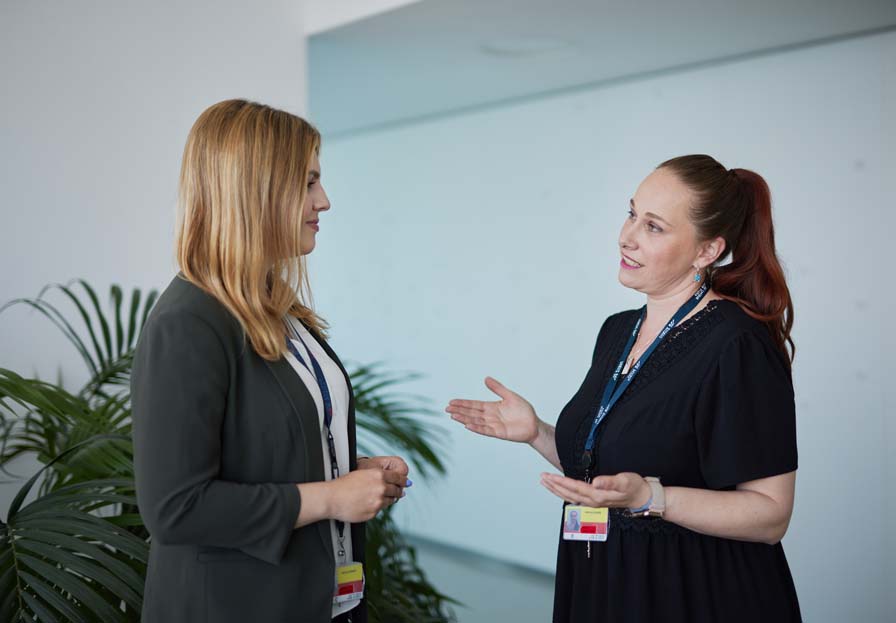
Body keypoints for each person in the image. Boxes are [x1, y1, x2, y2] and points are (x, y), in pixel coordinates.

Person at [448, 154, 800, 622]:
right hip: (605, 577)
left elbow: (771, 516)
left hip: (694, 591)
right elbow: (608, 474)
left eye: (654, 227)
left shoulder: (737, 343)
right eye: (632, 213)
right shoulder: (618, 330)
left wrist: (651, 498)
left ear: (707, 251)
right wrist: (537, 433)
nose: (627, 236)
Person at [131, 99, 410, 623]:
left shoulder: (277, 306)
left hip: (322, 599)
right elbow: (176, 508)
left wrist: (348, 474)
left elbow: (262, 452)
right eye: (308, 183)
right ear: (254, 191)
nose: (324, 201)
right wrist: (331, 497)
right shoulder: (188, 321)